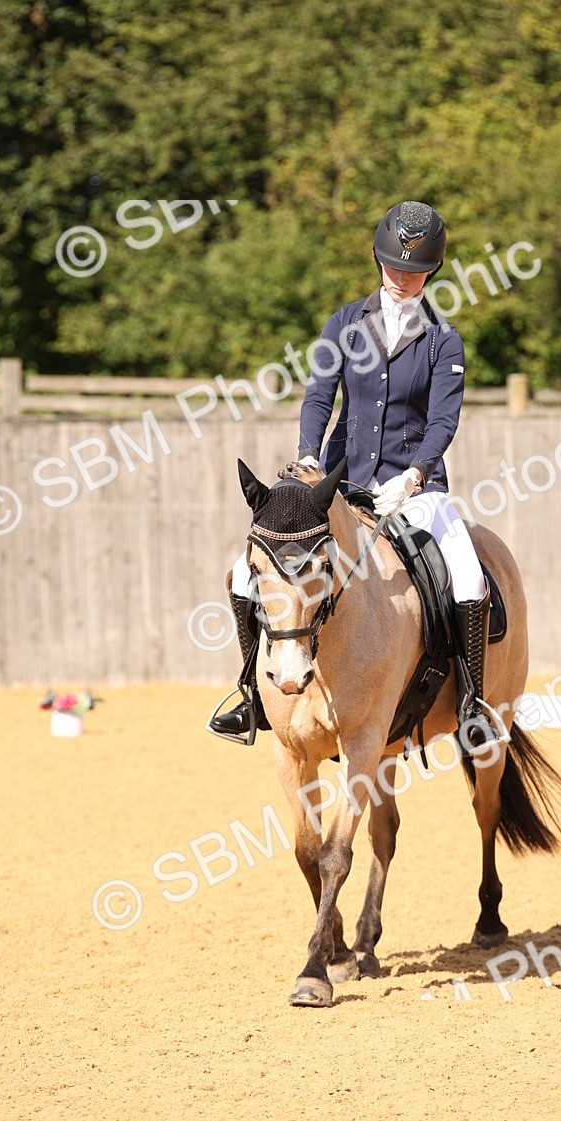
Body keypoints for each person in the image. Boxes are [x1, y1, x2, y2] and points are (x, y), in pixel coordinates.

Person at [209, 200, 493, 746]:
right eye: (394, 266)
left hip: (414, 489)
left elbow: (443, 421)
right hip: (339, 484)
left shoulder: (443, 339)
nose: (403, 278)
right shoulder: (344, 324)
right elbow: (319, 396)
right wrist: (309, 456)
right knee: (244, 573)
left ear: (433, 270)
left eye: (415, 270)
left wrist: (414, 475)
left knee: (469, 575)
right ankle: (250, 696)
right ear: (377, 259)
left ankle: (472, 703)